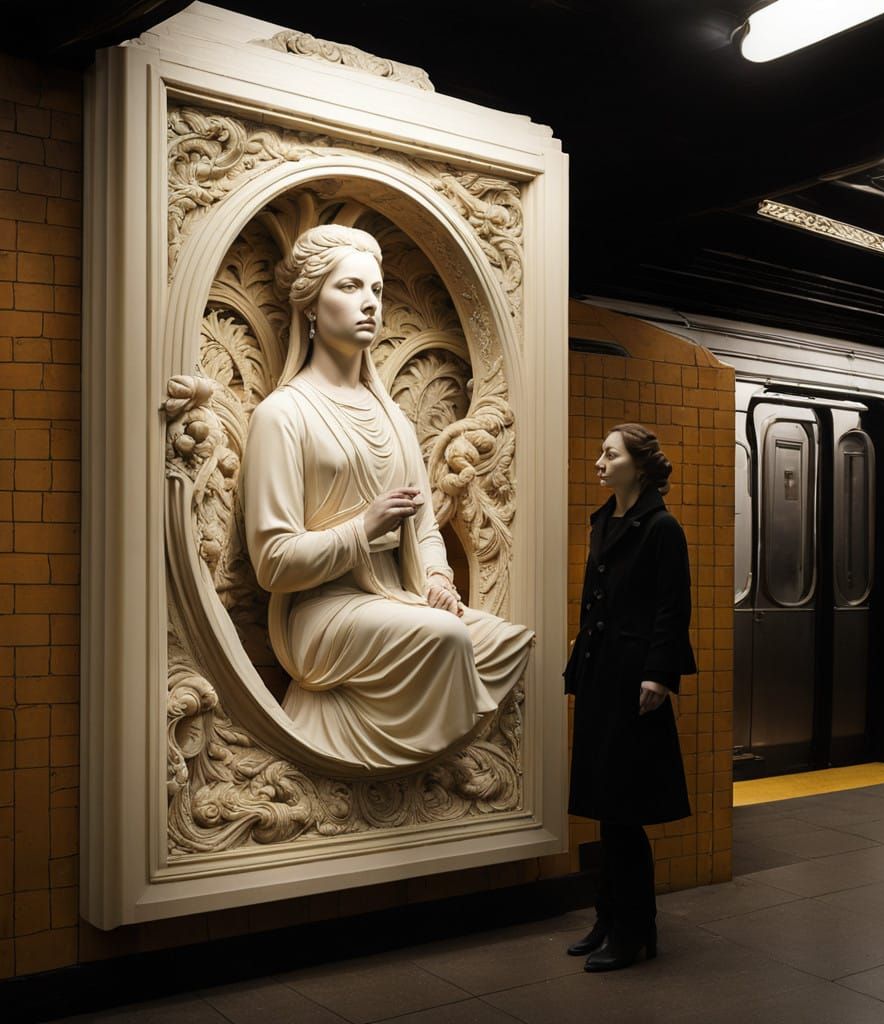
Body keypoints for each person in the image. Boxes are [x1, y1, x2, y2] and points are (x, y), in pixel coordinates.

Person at [241, 224, 534, 772]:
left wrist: (439, 580)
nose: (368, 303)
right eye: (349, 287)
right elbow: (273, 563)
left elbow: (422, 528)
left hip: (396, 602)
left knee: (503, 640)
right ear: (309, 303)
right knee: (448, 641)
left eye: (376, 290)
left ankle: (403, 739)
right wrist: (362, 529)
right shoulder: (283, 415)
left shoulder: (392, 418)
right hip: (319, 614)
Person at [563, 423, 697, 972]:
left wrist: (659, 676)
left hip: (633, 680)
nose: (599, 461)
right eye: (600, 453)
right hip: (600, 674)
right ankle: (608, 919)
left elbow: (672, 605)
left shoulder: (662, 528)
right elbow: (597, 597)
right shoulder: (606, 519)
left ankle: (635, 930)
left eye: (609, 454)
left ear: (637, 466)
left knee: (624, 810)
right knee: (603, 805)